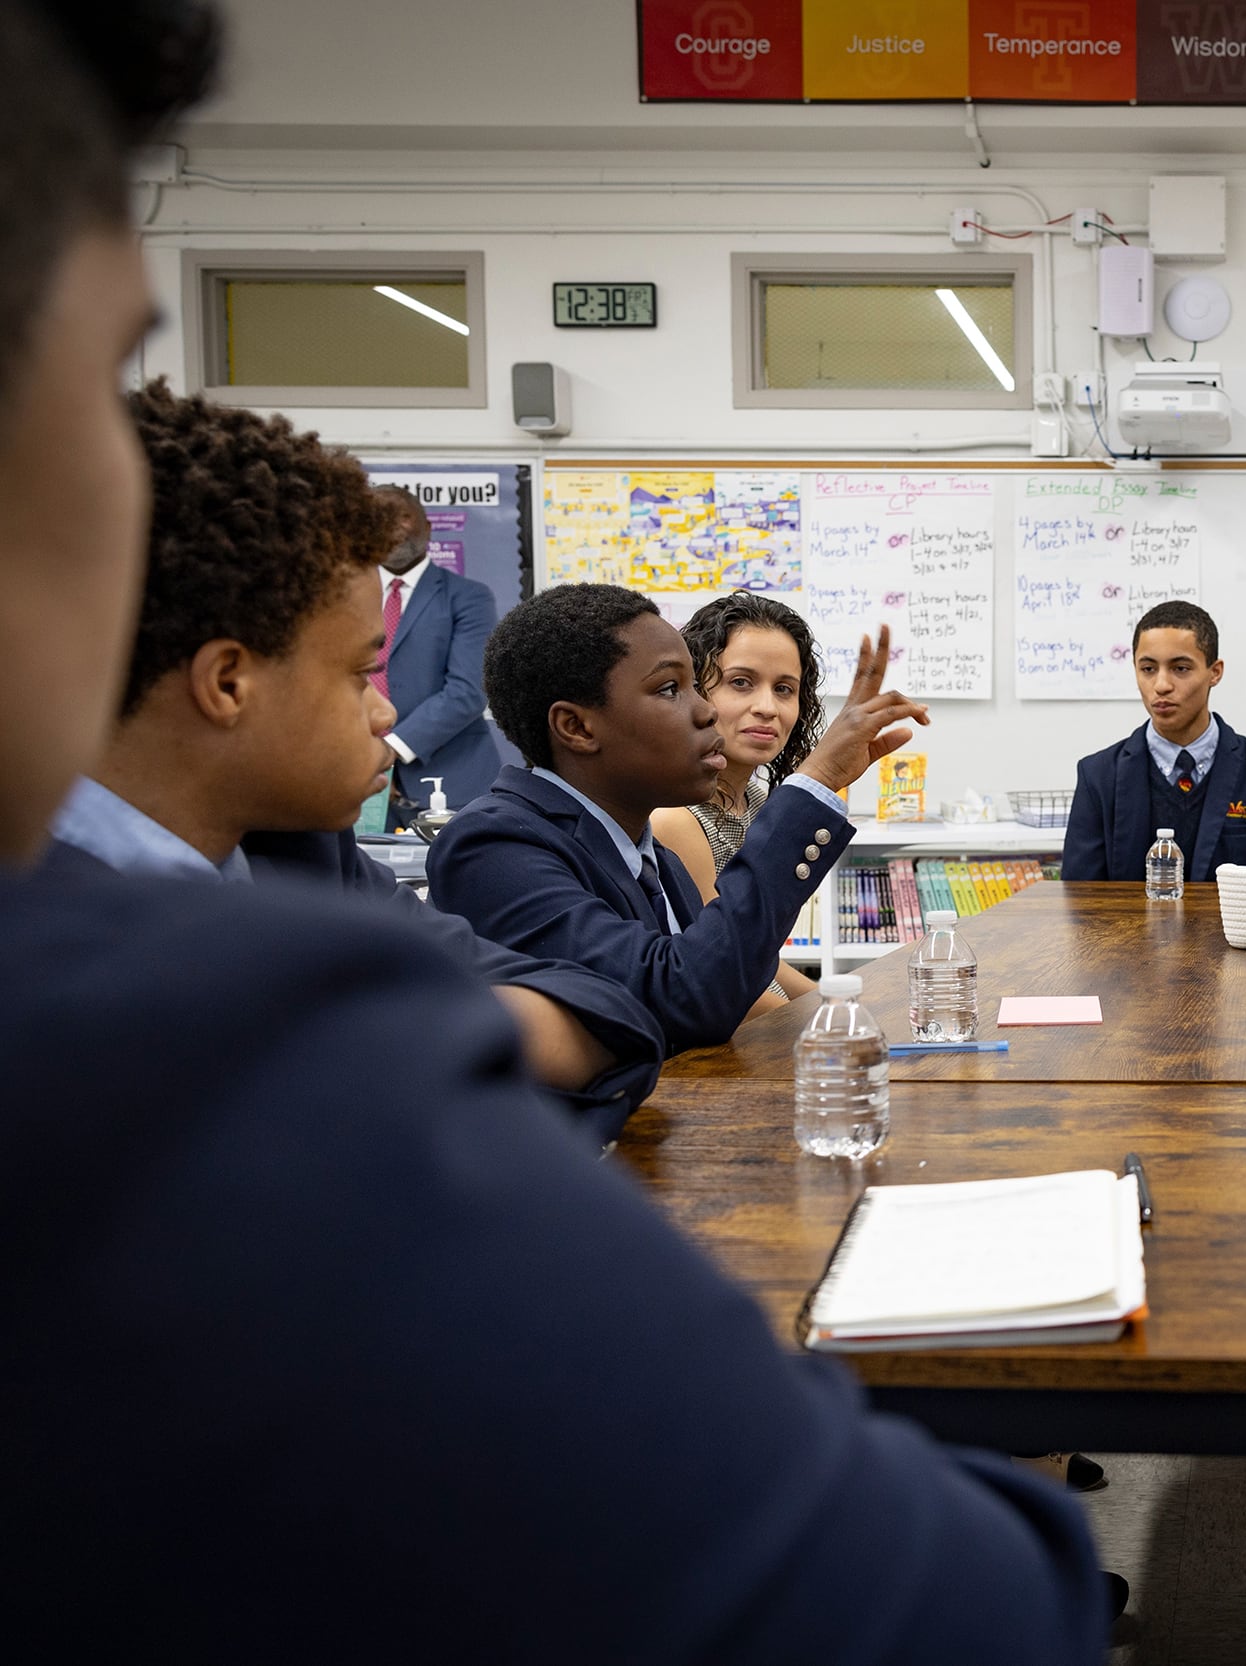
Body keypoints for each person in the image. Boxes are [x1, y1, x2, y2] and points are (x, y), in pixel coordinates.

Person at [0, 6, 1104, 1654]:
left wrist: (515, 1014)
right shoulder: (216, 1021)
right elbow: (670, 1003)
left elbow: (617, 1010)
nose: (390, 712)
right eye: (97, 376)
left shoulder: (287, 875)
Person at [45, 379, 665, 1134]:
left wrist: (341, 1022)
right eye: (358, 674)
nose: (386, 709)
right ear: (229, 683)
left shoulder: (300, 852)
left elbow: (603, 1014)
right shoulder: (44, 935)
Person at [428, 585, 925, 1056]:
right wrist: (813, 784)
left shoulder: (651, 858)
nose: (706, 711)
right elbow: (686, 999)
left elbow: (729, 976)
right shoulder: (492, 846)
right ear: (577, 727)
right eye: (671, 689)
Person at [652, 591, 825, 1014]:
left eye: (784, 689)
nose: (767, 707)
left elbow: (760, 957)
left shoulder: (754, 799)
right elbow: (724, 974)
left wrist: (836, 1003)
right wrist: (822, 1025)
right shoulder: (676, 817)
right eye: (741, 683)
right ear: (694, 689)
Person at [1061, 600, 1246, 882]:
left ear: (1215, 672)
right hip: (1127, 927)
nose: (1161, 685)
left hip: (1227, 928)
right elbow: (1080, 902)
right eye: (1148, 669)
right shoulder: (1098, 776)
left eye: (1180, 668)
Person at [367, 482, 501, 822]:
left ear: (427, 526)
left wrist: (388, 749)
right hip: (360, 780)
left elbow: (468, 691)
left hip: (451, 779)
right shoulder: (342, 598)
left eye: (401, 517)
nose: (391, 527)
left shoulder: (469, 597)